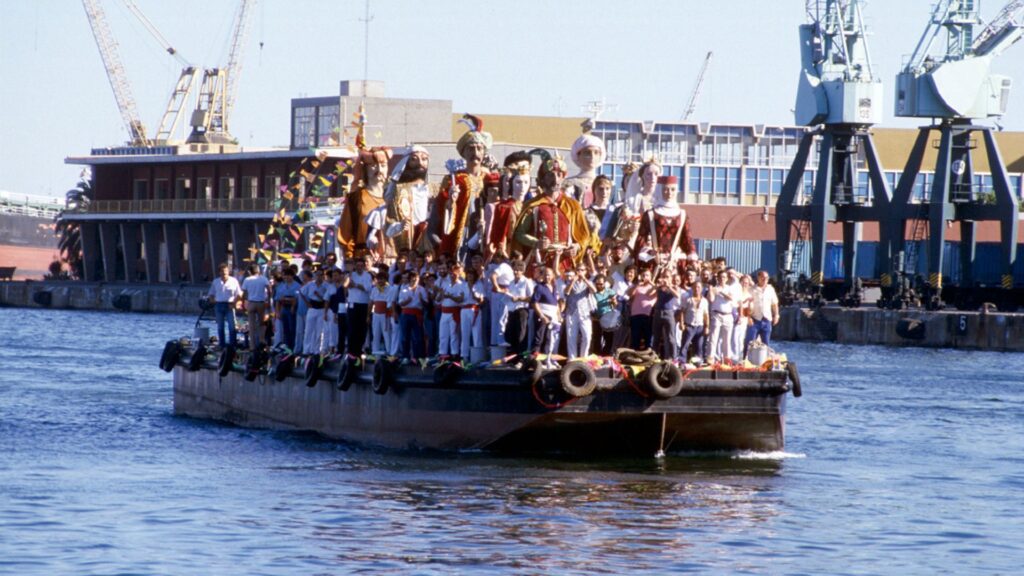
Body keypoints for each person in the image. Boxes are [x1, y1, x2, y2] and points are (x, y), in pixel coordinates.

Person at [433, 114, 492, 256]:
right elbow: (440, 209)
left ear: (484, 152)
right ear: (464, 152)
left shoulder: (489, 178)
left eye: (479, 149)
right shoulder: (454, 179)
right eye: (471, 149)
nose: (475, 153)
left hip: (485, 231)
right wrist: (450, 200)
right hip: (463, 230)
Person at [338, 146, 392, 259]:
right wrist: (349, 257)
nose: (379, 170)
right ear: (365, 169)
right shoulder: (356, 197)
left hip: (389, 257)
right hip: (363, 258)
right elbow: (346, 232)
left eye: (383, 165)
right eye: (373, 165)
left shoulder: (394, 197)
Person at [386, 145, 437, 254]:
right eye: (414, 159)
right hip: (408, 238)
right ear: (407, 163)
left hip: (428, 237)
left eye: (424, 159)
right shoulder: (399, 189)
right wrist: (400, 226)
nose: (420, 163)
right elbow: (389, 220)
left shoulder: (435, 189)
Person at [565, 121, 606, 206]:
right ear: (578, 155)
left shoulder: (608, 184)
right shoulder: (568, 183)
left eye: (596, 152)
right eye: (587, 153)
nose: (592, 156)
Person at [563, 265, 596, 360]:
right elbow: (566, 292)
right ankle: (572, 358)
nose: (580, 271)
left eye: (582, 270)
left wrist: (585, 279)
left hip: (585, 312)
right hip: (572, 312)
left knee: (587, 336)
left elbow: (594, 290)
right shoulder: (569, 282)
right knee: (571, 337)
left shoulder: (588, 282)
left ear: (585, 271)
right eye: (578, 270)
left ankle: (583, 357)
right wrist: (573, 280)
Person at [531, 267, 562, 369]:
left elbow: (556, 303)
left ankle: (546, 360)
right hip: (543, 316)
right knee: (539, 338)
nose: (547, 277)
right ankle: (534, 361)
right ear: (542, 276)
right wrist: (541, 316)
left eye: (549, 275)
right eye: (545, 275)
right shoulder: (539, 287)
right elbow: (534, 302)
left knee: (549, 339)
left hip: (552, 316)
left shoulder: (554, 287)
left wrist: (559, 315)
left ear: (552, 275)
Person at [707, 269, 739, 363]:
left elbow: (730, 298)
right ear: (718, 278)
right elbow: (711, 300)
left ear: (727, 278)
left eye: (724, 277)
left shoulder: (729, 288)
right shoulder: (714, 288)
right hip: (717, 314)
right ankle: (710, 357)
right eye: (720, 277)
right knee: (713, 337)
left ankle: (727, 358)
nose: (722, 279)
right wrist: (710, 290)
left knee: (727, 339)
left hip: (728, 315)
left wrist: (721, 292)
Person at [207, 262, 242, 348]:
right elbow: (211, 294)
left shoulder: (234, 281)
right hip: (219, 305)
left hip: (230, 305)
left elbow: (240, 294)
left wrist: (234, 303)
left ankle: (232, 345)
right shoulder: (216, 282)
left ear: (228, 271)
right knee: (220, 326)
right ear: (219, 272)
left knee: (232, 326)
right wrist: (213, 301)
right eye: (222, 271)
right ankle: (221, 344)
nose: (224, 273)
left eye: (226, 271)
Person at [503, 261, 534, 358]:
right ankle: (513, 357)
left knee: (521, 334)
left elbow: (531, 298)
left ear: (522, 271)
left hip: (521, 310)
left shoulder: (526, 282)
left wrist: (519, 298)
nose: (515, 272)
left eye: (518, 270)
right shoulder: (511, 283)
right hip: (511, 311)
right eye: (514, 270)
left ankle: (521, 357)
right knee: (510, 334)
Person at [398, 271, 429, 361]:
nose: (415, 280)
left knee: (418, 337)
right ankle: (405, 356)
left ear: (418, 279)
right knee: (405, 336)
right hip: (406, 314)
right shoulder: (404, 289)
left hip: (417, 314)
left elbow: (426, 304)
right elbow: (400, 303)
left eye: (416, 278)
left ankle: (418, 356)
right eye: (413, 278)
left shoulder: (421, 289)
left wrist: (421, 299)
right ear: (410, 279)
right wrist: (407, 301)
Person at [436, 261, 464, 359]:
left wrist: (450, 296)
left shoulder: (461, 285)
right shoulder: (445, 284)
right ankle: (442, 353)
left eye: (455, 273)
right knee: (443, 334)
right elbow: (438, 299)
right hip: (444, 312)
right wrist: (440, 294)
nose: (452, 275)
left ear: (459, 273)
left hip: (454, 312)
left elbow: (460, 299)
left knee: (454, 334)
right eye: (451, 273)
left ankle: (454, 353)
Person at [299, 268, 330, 356]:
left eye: (321, 275)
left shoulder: (326, 285)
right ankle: (306, 349)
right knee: (308, 329)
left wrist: (319, 296)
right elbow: (301, 292)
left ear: (323, 276)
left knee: (319, 330)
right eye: (317, 275)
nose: (319, 277)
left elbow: (326, 299)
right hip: (312, 307)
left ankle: (316, 350)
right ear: (315, 276)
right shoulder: (310, 284)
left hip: (321, 308)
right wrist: (307, 303)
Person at [239, 264, 270, 351]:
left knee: (251, 326)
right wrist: (268, 299)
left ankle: (252, 346)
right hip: (261, 303)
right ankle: (261, 339)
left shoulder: (247, 279)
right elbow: (269, 290)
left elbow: (244, 293)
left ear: (250, 272)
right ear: (258, 271)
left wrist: (242, 303)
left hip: (251, 303)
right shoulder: (263, 279)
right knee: (262, 323)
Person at [346, 256, 373, 356]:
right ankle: (351, 349)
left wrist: (356, 285)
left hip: (363, 304)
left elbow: (366, 288)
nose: (359, 267)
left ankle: (359, 348)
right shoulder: (351, 275)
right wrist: (349, 274)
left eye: (361, 265)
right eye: (357, 265)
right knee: (352, 327)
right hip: (352, 304)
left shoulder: (367, 276)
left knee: (362, 327)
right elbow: (347, 285)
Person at [650, 271, 680, 360]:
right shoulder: (659, 287)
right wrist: (657, 285)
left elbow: (678, 295)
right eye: (664, 276)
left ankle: (673, 358)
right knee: (656, 337)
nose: (665, 278)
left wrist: (669, 286)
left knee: (671, 337)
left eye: (667, 276)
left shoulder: (674, 287)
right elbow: (649, 293)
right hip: (658, 312)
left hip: (669, 313)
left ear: (671, 278)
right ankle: (654, 357)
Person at [747, 269, 780, 348]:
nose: (764, 279)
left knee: (766, 343)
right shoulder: (751, 289)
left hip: (766, 319)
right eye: (762, 277)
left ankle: (765, 358)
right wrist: (748, 317)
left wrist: (776, 315)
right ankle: (747, 357)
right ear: (758, 278)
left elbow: (774, 303)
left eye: (766, 278)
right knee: (750, 342)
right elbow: (747, 304)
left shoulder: (770, 289)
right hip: (754, 319)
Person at [459, 267, 486, 361]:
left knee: (477, 333)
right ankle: (464, 356)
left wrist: (475, 296)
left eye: (471, 274)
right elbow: (460, 299)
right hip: (464, 310)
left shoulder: (479, 285)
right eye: (468, 274)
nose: (469, 276)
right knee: (464, 333)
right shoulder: (463, 285)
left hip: (475, 309)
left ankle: (477, 357)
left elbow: (482, 300)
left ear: (475, 276)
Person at [627, 268, 656, 350]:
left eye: (647, 275)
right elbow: (629, 294)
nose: (645, 277)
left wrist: (650, 282)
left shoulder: (653, 287)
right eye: (643, 275)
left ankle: (648, 355)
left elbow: (658, 289)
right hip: (635, 314)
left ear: (650, 277)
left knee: (648, 337)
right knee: (635, 337)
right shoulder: (637, 286)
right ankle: (634, 355)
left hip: (647, 315)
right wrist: (637, 284)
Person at [680, 280, 709, 363]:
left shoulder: (704, 301)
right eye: (695, 287)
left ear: (702, 289)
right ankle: (682, 361)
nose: (697, 289)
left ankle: (698, 363)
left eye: (699, 287)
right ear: (692, 288)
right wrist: (682, 323)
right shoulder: (688, 299)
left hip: (700, 326)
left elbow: (706, 315)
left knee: (699, 346)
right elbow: (682, 311)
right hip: (689, 326)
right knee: (685, 345)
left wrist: (707, 327)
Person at [590, 274, 618, 356]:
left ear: (604, 283)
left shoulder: (609, 291)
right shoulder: (593, 292)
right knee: (597, 338)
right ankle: (596, 355)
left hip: (608, 318)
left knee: (609, 339)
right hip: (597, 318)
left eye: (601, 284)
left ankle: (606, 355)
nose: (599, 286)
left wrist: (613, 301)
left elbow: (615, 303)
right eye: (597, 284)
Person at [274, 266, 300, 351]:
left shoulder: (297, 285)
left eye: (289, 275)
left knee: (292, 328)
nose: (287, 277)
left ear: (292, 276)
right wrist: (277, 312)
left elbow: (296, 298)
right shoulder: (281, 286)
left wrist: (290, 303)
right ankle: (287, 346)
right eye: (285, 275)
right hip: (283, 308)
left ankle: (293, 346)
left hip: (292, 308)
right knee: (285, 329)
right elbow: (277, 300)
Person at [369, 271, 392, 356]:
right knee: (375, 334)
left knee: (387, 334)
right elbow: (371, 302)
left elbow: (390, 303)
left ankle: (389, 352)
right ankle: (375, 352)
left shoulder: (390, 288)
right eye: (378, 279)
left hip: (385, 315)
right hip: (376, 315)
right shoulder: (374, 289)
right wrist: (368, 316)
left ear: (385, 279)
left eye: (381, 279)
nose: (380, 281)